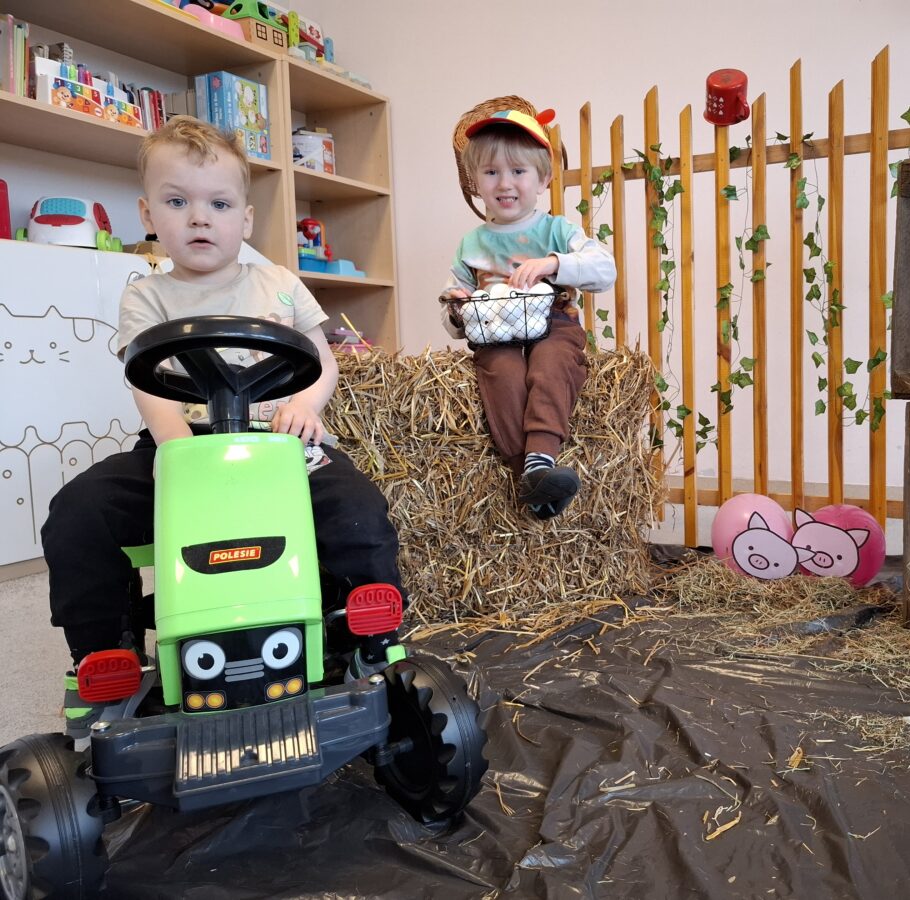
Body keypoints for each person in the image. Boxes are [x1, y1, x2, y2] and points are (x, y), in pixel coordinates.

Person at [41, 116, 402, 737]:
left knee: (355, 508)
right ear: (148, 214)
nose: (199, 219)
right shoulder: (146, 297)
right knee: (78, 512)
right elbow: (145, 381)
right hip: (182, 445)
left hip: (281, 444)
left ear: (247, 219)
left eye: (219, 204)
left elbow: (324, 360)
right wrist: (176, 449)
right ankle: (104, 657)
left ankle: (367, 633)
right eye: (177, 202)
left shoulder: (279, 284)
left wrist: (307, 406)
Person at [442, 103, 616, 519]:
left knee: (550, 363)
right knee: (502, 373)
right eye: (491, 172)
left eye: (518, 171)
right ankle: (531, 476)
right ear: (476, 182)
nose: (505, 183)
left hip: (553, 324)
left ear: (543, 179)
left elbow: (604, 270)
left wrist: (554, 263)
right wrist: (457, 307)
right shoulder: (472, 243)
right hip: (495, 332)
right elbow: (454, 308)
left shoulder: (556, 230)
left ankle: (540, 456)